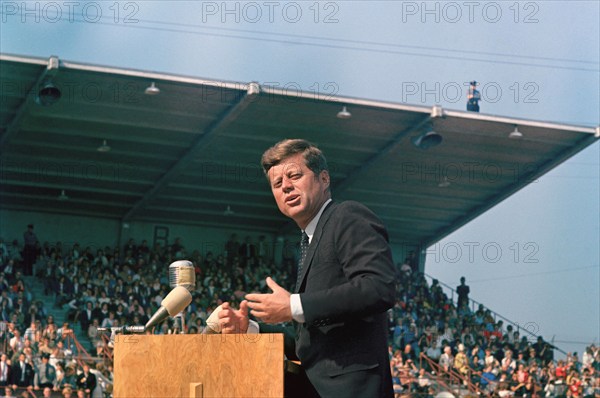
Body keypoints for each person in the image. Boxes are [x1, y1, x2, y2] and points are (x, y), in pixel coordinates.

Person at [218, 139, 397, 397]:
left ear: (324, 179)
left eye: (294, 175)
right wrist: (250, 328)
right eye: (277, 184)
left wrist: (293, 306)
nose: (286, 186)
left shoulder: (347, 216)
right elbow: (307, 341)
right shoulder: (308, 242)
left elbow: (378, 287)